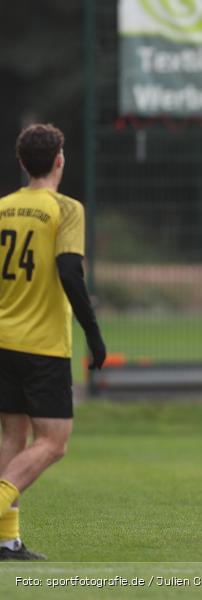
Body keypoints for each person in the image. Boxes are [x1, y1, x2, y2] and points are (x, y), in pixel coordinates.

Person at [0, 123, 106, 560]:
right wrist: (94, 333)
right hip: (42, 345)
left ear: (22, 162)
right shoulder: (65, 208)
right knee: (54, 442)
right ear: (59, 160)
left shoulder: (3, 208)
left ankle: (7, 540)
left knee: (13, 438)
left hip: (3, 340)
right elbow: (68, 271)